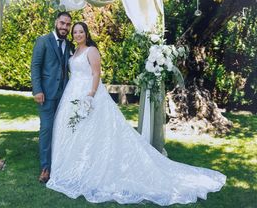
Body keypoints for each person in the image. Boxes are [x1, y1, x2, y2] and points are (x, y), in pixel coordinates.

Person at [46, 22, 226, 206]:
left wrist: (90, 95)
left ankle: (95, 168)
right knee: (76, 131)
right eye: (75, 32)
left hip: (89, 93)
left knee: (95, 132)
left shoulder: (91, 50)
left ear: (86, 33)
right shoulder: (74, 52)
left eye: (80, 31)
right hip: (72, 92)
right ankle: (76, 167)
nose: (77, 35)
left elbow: (96, 74)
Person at [31, 11, 74, 183]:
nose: (65, 27)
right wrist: (37, 90)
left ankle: (61, 164)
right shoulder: (43, 41)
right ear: (56, 22)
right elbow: (35, 66)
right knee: (47, 130)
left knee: (63, 130)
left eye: (68, 24)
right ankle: (45, 168)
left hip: (65, 95)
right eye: (62, 23)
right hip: (46, 95)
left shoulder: (69, 45)